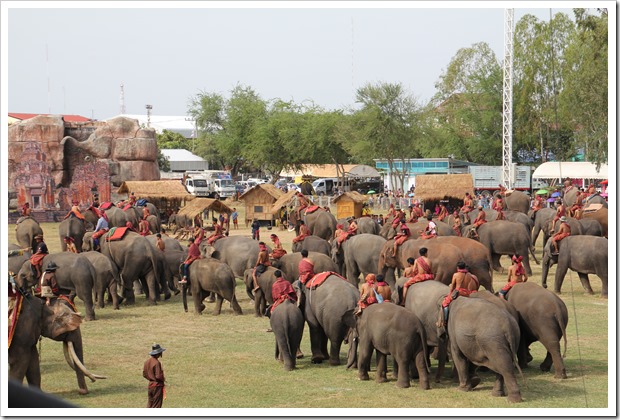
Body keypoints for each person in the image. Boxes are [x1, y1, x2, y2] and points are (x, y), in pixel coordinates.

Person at [438, 261, 479, 330]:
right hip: (467, 293)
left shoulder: (456, 275)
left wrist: (450, 293)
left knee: (445, 304)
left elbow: (452, 286)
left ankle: (445, 321)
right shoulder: (469, 274)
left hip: (458, 292)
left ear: (457, 267)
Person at [143, 344, 166, 408]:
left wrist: (151, 378)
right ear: (158, 353)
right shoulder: (156, 363)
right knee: (156, 406)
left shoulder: (147, 362)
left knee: (150, 404)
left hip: (150, 385)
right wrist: (163, 379)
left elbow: (144, 374)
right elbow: (158, 376)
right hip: (157, 386)